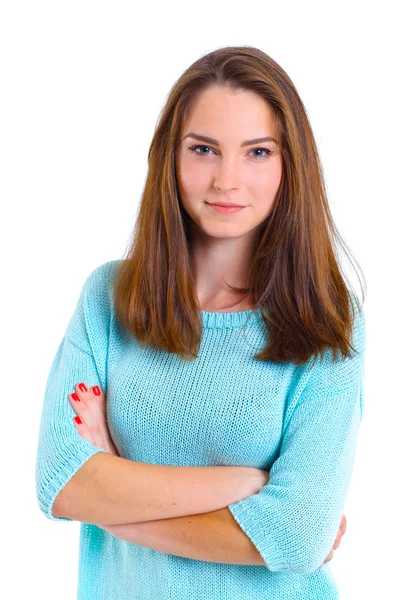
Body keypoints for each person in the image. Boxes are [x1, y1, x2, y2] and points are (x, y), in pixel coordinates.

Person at [35, 45, 366, 600]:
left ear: (291, 166)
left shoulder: (326, 320)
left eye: (257, 152)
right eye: (205, 150)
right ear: (171, 157)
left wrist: (117, 501)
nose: (226, 180)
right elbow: (61, 482)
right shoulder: (108, 300)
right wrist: (246, 485)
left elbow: (299, 533)